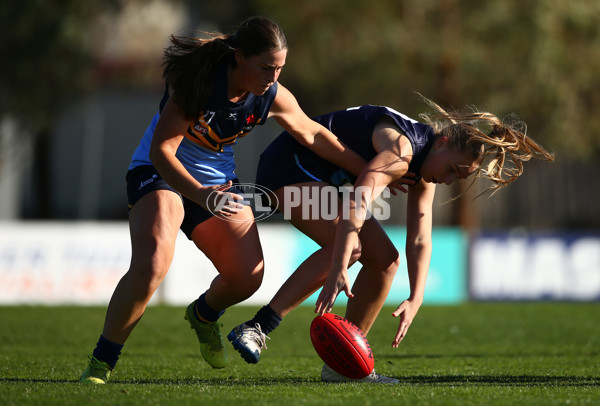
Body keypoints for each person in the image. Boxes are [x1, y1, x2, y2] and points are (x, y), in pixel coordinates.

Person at [79, 16, 370, 384]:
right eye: (266, 67)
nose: (273, 77)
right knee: (152, 264)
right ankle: (101, 363)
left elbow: (312, 133)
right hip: (161, 174)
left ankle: (203, 315)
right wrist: (202, 195)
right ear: (238, 57)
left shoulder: (270, 93)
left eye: (280, 68)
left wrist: (368, 172)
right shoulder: (198, 84)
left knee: (247, 277)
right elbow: (162, 151)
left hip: (216, 185)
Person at [228, 98, 554, 383]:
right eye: (453, 169)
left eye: (460, 177)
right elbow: (358, 200)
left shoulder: (426, 162)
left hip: (323, 177)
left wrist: (417, 296)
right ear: (440, 142)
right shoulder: (402, 152)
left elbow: (420, 237)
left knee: (386, 260)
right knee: (353, 247)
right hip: (290, 166)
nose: (450, 179)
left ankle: (342, 367)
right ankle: (257, 327)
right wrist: (340, 263)